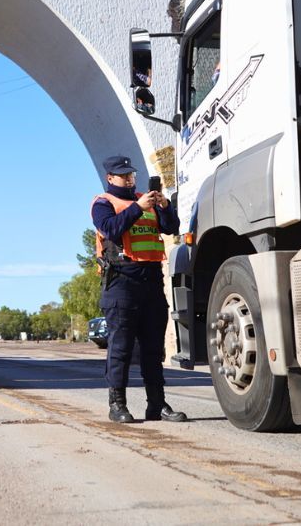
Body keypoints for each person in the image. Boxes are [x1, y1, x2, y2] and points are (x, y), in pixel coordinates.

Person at [91, 156, 187, 424]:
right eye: (123, 176)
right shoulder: (103, 203)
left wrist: (165, 206)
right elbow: (110, 228)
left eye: (131, 174)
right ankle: (117, 405)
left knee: (153, 349)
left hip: (151, 282)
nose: (129, 179)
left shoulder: (146, 200)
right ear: (111, 178)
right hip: (121, 282)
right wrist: (136, 208)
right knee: (120, 348)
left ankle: (157, 405)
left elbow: (171, 228)